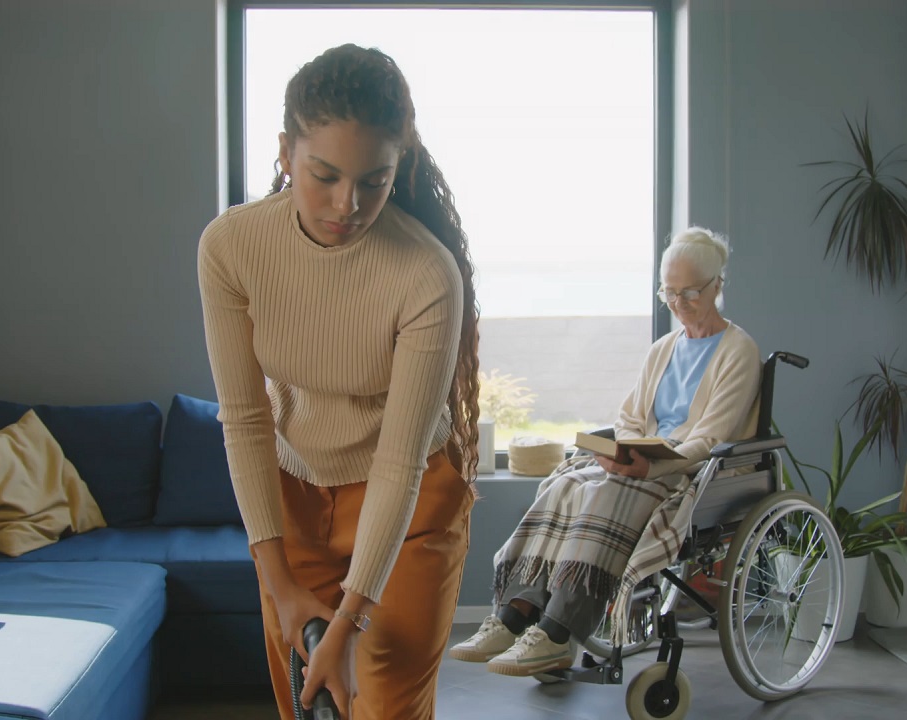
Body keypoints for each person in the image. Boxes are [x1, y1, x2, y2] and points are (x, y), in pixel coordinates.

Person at [198, 44, 479, 720]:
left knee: (382, 701)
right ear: (286, 151)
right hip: (291, 497)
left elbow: (399, 462)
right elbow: (243, 419)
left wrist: (349, 621)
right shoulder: (231, 247)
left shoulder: (425, 274)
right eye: (324, 174)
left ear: (399, 166)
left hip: (407, 503)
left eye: (374, 181)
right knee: (309, 703)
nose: (347, 204)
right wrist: (278, 582)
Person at [448, 227, 760, 677]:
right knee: (567, 484)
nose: (677, 303)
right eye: (667, 292)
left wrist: (651, 464)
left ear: (718, 286)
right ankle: (514, 615)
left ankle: (557, 632)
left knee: (604, 495)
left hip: (686, 470)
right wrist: (621, 450)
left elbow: (709, 439)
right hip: (645, 461)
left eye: (689, 292)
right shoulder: (662, 350)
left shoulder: (738, 352)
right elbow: (630, 417)